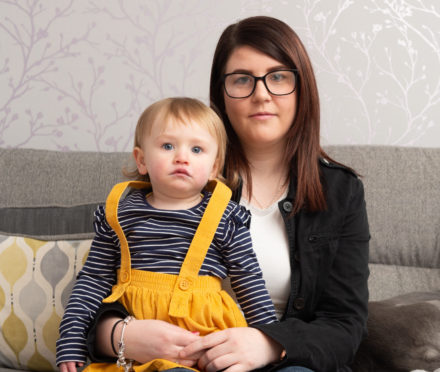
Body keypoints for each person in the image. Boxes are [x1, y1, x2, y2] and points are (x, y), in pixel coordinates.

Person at [85, 16, 370, 372]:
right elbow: (100, 287)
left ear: (302, 89)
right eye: (242, 80)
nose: (261, 94)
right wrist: (119, 335)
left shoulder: (341, 191)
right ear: (221, 93)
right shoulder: (179, 177)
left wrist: (269, 343)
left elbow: (345, 325)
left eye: (279, 77)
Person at [55, 97, 278, 372]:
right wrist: (71, 339)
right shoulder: (119, 215)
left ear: (214, 168)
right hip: (136, 348)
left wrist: (272, 341)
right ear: (142, 160)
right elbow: (93, 280)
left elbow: (250, 282)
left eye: (197, 149)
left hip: (204, 342)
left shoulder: (226, 217)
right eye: (167, 146)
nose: (182, 157)